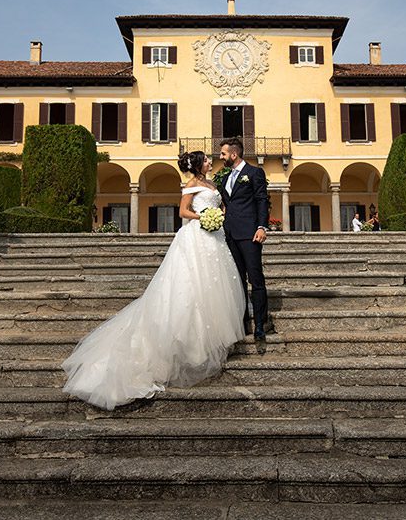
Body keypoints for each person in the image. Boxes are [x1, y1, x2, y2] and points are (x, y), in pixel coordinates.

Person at [61, 151, 245, 411]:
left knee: (214, 286)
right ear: (196, 164)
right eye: (205, 159)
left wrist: (220, 215)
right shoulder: (191, 184)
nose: (209, 161)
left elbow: (220, 205)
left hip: (215, 238)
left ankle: (208, 340)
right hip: (196, 236)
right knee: (189, 286)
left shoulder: (212, 184)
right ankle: (186, 346)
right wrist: (204, 217)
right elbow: (184, 211)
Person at [217, 137, 272, 353]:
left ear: (234, 154)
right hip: (229, 235)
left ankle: (260, 325)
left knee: (255, 279)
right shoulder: (225, 177)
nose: (220, 157)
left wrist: (261, 227)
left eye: (223, 154)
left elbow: (262, 200)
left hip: (250, 233)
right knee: (237, 280)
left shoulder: (255, 173)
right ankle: (242, 322)